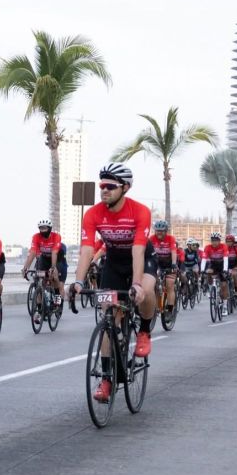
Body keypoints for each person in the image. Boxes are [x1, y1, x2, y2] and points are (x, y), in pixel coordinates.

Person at [70, 162, 157, 403]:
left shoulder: (139, 211)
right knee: (109, 316)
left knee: (146, 290)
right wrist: (78, 282)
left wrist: (136, 284)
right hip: (114, 262)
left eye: (110, 186)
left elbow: (138, 251)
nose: (104, 190)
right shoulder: (93, 214)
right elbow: (87, 251)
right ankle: (107, 379)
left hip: (141, 257)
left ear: (125, 187)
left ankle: (144, 331)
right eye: (102, 186)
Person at [20, 219, 64, 320]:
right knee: (38, 280)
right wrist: (25, 268)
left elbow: (54, 252)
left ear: (50, 229)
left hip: (56, 257)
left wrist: (53, 267)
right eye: (41, 228)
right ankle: (40, 307)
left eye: (45, 228)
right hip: (44, 258)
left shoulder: (56, 236)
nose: (43, 230)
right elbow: (32, 252)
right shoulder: (36, 237)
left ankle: (57, 295)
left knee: (54, 276)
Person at [149, 221, 178, 316]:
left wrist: (174, 264)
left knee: (169, 285)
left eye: (161, 231)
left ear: (166, 231)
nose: (159, 233)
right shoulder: (151, 238)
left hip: (169, 264)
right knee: (154, 284)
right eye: (157, 231)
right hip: (157, 264)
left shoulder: (171, 238)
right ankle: (157, 306)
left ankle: (170, 310)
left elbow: (173, 252)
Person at [203, 232, 230, 305]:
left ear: (219, 241)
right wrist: (202, 270)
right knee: (208, 272)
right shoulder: (207, 247)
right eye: (212, 240)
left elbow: (225, 259)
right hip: (213, 265)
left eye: (216, 240)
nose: (214, 242)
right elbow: (204, 259)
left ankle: (225, 305)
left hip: (222, 265)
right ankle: (211, 289)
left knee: (224, 286)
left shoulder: (223, 246)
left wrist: (225, 270)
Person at [225, 234, 237, 304]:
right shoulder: (224, 248)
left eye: (230, 241)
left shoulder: (236, 248)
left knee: (235, 275)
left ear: (233, 242)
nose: (228, 243)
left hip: (235, 266)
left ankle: (236, 291)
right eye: (227, 241)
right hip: (227, 266)